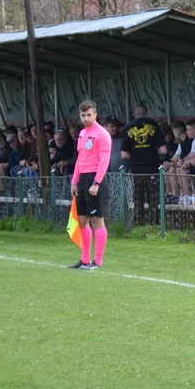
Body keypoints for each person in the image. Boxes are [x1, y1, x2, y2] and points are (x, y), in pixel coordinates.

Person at [68, 100, 112, 271]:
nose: (86, 118)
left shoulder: (102, 134)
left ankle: (98, 262)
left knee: (97, 220)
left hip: (95, 179)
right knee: (82, 220)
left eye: (89, 115)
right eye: (83, 115)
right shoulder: (81, 134)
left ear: (95, 115)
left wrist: (96, 183)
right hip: (83, 180)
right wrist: (74, 181)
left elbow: (104, 160)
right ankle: (85, 259)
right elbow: (80, 158)